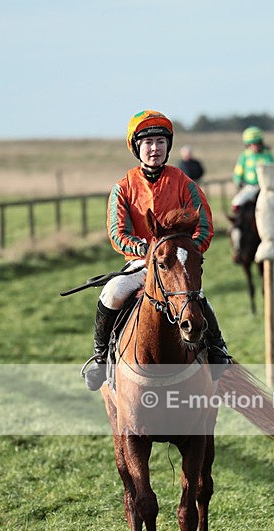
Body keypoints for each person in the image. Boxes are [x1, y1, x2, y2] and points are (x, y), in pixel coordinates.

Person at [82, 109, 230, 391]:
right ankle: (102, 358)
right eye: (148, 143)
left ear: (168, 147)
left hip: (175, 266)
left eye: (160, 142)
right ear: (137, 147)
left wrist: (187, 252)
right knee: (113, 292)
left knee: (196, 297)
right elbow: (117, 233)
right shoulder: (123, 187)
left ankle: (217, 349)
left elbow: (205, 227)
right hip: (140, 264)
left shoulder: (185, 183)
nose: (154, 148)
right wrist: (145, 250)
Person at [229, 126, 274, 252]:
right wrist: (238, 180)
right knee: (236, 203)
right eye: (251, 144)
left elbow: (273, 170)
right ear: (247, 145)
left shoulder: (267, 155)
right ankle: (238, 225)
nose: (254, 146)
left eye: (256, 143)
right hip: (249, 187)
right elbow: (238, 172)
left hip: (264, 188)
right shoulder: (244, 156)